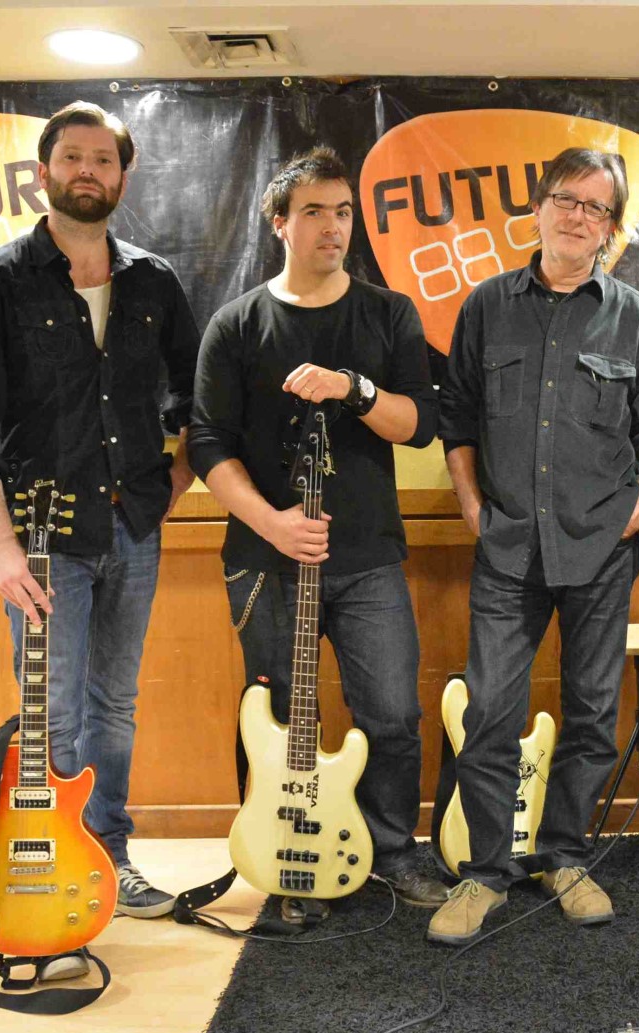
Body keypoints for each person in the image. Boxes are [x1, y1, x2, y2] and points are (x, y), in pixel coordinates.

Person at [0, 101, 200, 932]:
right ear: (43, 171)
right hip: (42, 538)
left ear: (123, 176)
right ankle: (49, 862)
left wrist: (172, 485)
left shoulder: (154, 280)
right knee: (54, 712)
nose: (88, 171)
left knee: (115, 703)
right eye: (73, 157)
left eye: (104, 160)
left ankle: (108, 856)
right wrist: (0, 548)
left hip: (133, 530)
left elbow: (203, 400)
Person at [187, 148, 449, 923]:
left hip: (367, 558)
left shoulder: (388, 313)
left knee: (392, 716)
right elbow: (207, 445)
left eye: (342, 212)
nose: (332, 227)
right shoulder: (237, 324)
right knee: (274, 722)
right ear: (279, 223)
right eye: (313, 212)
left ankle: (389, 851)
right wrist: (271, 522)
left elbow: (419, 424)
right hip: (265, 560)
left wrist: (353, 388)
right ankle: (284, 857)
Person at [432, 147, 639, 945]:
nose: (579, 217)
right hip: (507, 549)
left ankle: (566, 857)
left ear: (612, 228)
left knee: (592, 712)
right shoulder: (486, 308)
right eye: (567, 200)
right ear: (539, 208)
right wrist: (471, 504)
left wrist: (638, 508)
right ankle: (484, 873)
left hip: (601, 552)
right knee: (489, 713)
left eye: (596, 208)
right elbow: (456, 417)